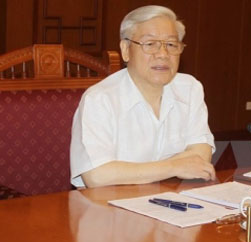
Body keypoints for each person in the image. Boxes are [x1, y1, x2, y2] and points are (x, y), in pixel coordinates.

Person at [70, 5, 215, 188]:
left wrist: (129, 172)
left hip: (170, 200)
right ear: (125, 50)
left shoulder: (190, 88)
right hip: (109, 207)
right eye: (150, 44)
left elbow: (201, 155)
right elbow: (97, 175)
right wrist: (174, 166)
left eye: (171, 44)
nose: (163, 54)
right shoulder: (100, 99)